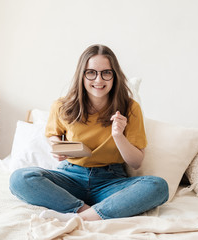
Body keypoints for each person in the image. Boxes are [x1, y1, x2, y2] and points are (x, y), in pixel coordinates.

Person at [9, 44, 169, 221]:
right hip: (70, 176)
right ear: (82, 75)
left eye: (106, 73)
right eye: (91, 72)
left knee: (158, 186)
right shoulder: (62, 105)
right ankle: (86, 213)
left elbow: (136, 162)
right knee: (19, 178)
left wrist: (118, 136)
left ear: (114, 76)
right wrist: (58, 147)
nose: (99, 80)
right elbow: (52, 135)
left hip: (111, 181)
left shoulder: (130, 108)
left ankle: (81, 218)